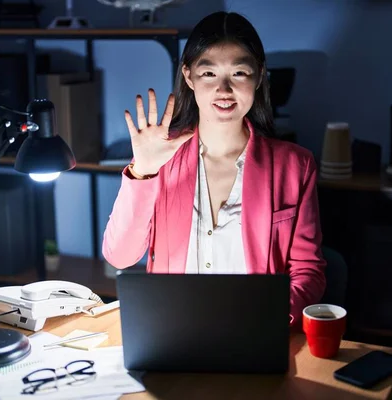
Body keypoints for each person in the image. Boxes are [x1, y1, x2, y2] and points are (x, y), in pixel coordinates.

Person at [102, 11, 326, 327]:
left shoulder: (295, 166)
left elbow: (308, 272)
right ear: (189, 76)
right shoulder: (160, 159)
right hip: (173, 332)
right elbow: (119, 256)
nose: (223, 89)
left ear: (259, 76)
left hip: (256, 335)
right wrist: (143, 172)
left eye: (239, 73)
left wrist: (270, 321)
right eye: (209, 74)